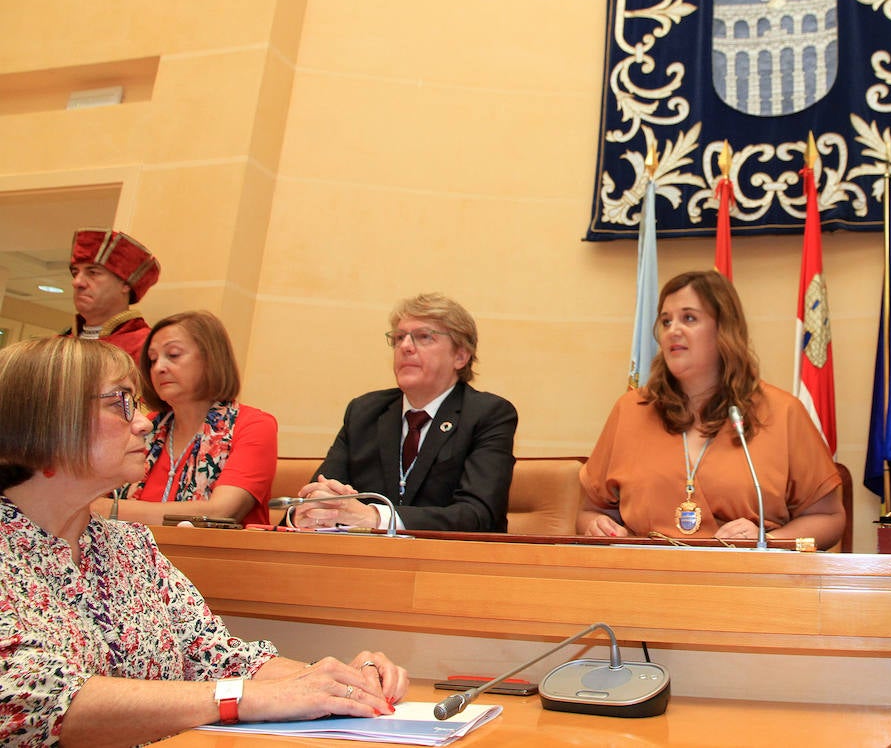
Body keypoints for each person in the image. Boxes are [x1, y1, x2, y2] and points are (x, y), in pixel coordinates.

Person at [0, 336, 408, 747]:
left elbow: (215, 657)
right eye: (120, 403)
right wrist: (244, 698)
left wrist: (338, 680)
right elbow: (35, 703)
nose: (143, 422)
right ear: (44, 420)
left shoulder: (130, 546)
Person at [578, 270, 845, 548]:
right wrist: (598, 527)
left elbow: (828, 518)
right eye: (666, 321)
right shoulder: (631, 410)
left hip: (742, 579)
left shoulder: (782, 412)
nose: (673, 330)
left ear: (724, 329)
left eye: (689, 318)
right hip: (646, 578)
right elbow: (591, 512)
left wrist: (766, 541)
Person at [294, 292, 517, 532]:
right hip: (365, 560)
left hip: (447, 563)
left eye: (423, 337)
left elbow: (477, 515)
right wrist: (311, 509)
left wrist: (376, 517)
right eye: (399, 338)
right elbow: (320, 492)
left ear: (460, 356)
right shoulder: (364, 412)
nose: (406, 347)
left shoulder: (488, 415)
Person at [89, 311, 278, 527]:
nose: (159, 368)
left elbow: (219, 513)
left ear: (211, 359)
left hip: (213, 557)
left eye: (174, 354)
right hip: (132, 554)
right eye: (152, 360)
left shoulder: (253, 424)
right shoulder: (144, 425)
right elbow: (94, 491)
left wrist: (110, 509)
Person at [63, 227, 161, 357]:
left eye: (93, 273)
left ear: (126, 284)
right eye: (75, 273)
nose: (76, 282)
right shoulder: (57, 345)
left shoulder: (147, 349)